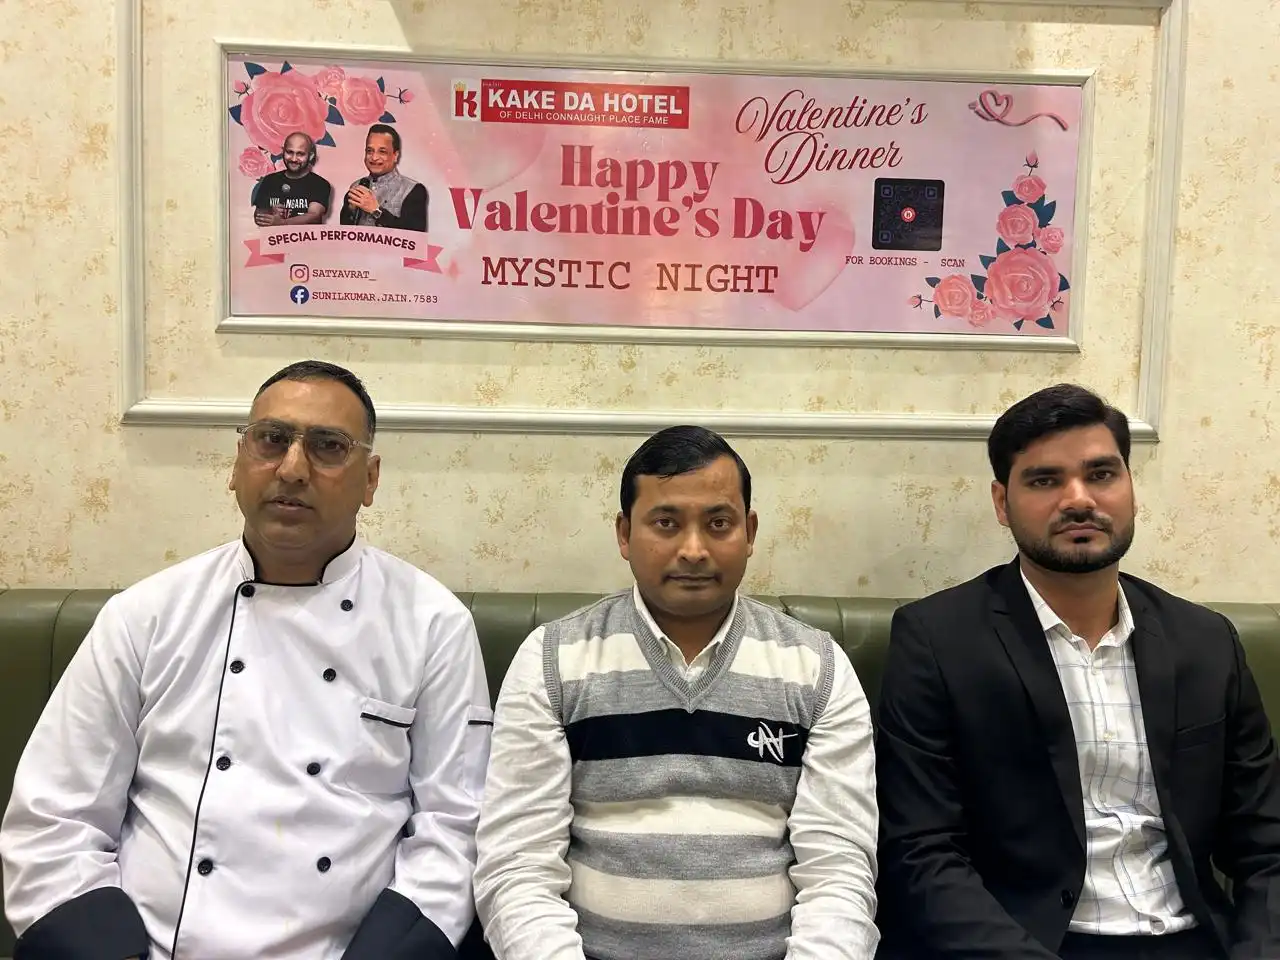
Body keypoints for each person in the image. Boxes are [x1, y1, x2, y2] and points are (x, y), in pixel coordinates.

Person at [0, 360, 492, 960]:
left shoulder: (433, 625)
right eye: (272, 439)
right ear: (237, 464)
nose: (292, 468)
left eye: (329, 447)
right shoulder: (145, 615)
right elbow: (55, 818)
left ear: (370, 479)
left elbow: (455, 826)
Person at [875, 383, 1280, 960]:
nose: (1078, 499)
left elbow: (1267, 842)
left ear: (1131, 487)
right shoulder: (938, 639)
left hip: (1192, 939)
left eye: (1101, 474)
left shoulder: (1206, 641)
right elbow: (920, 851)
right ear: (1001, 502)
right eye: (1045, 480)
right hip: (1026, 943)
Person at [473, 425, 879, 960]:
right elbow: (517, 866)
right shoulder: (553, 659)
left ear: (750, 532)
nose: (693, 550)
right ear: (624, 533)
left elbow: (838, 871)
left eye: (718, 523)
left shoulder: (817, 666)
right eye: (666, 523)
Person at [340, 124, 428, 231]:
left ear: (395, 155)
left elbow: (414, 236)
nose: (374, 157)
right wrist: (350, 212)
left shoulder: (412, 190)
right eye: (370, 151)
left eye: (382, 152)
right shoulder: (356, 187)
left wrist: (376, 211)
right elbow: (344, 233)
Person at [252, 131, 332, 225]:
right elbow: (258, 215)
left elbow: (314, 215)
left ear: (310, 156)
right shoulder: (270, 180)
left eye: (300, 154)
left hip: (307, 235)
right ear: (283, 152)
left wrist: (283, 223)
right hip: (273, 235)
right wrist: (270, 212)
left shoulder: (320, 184)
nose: (294, 159)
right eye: (290, 152)